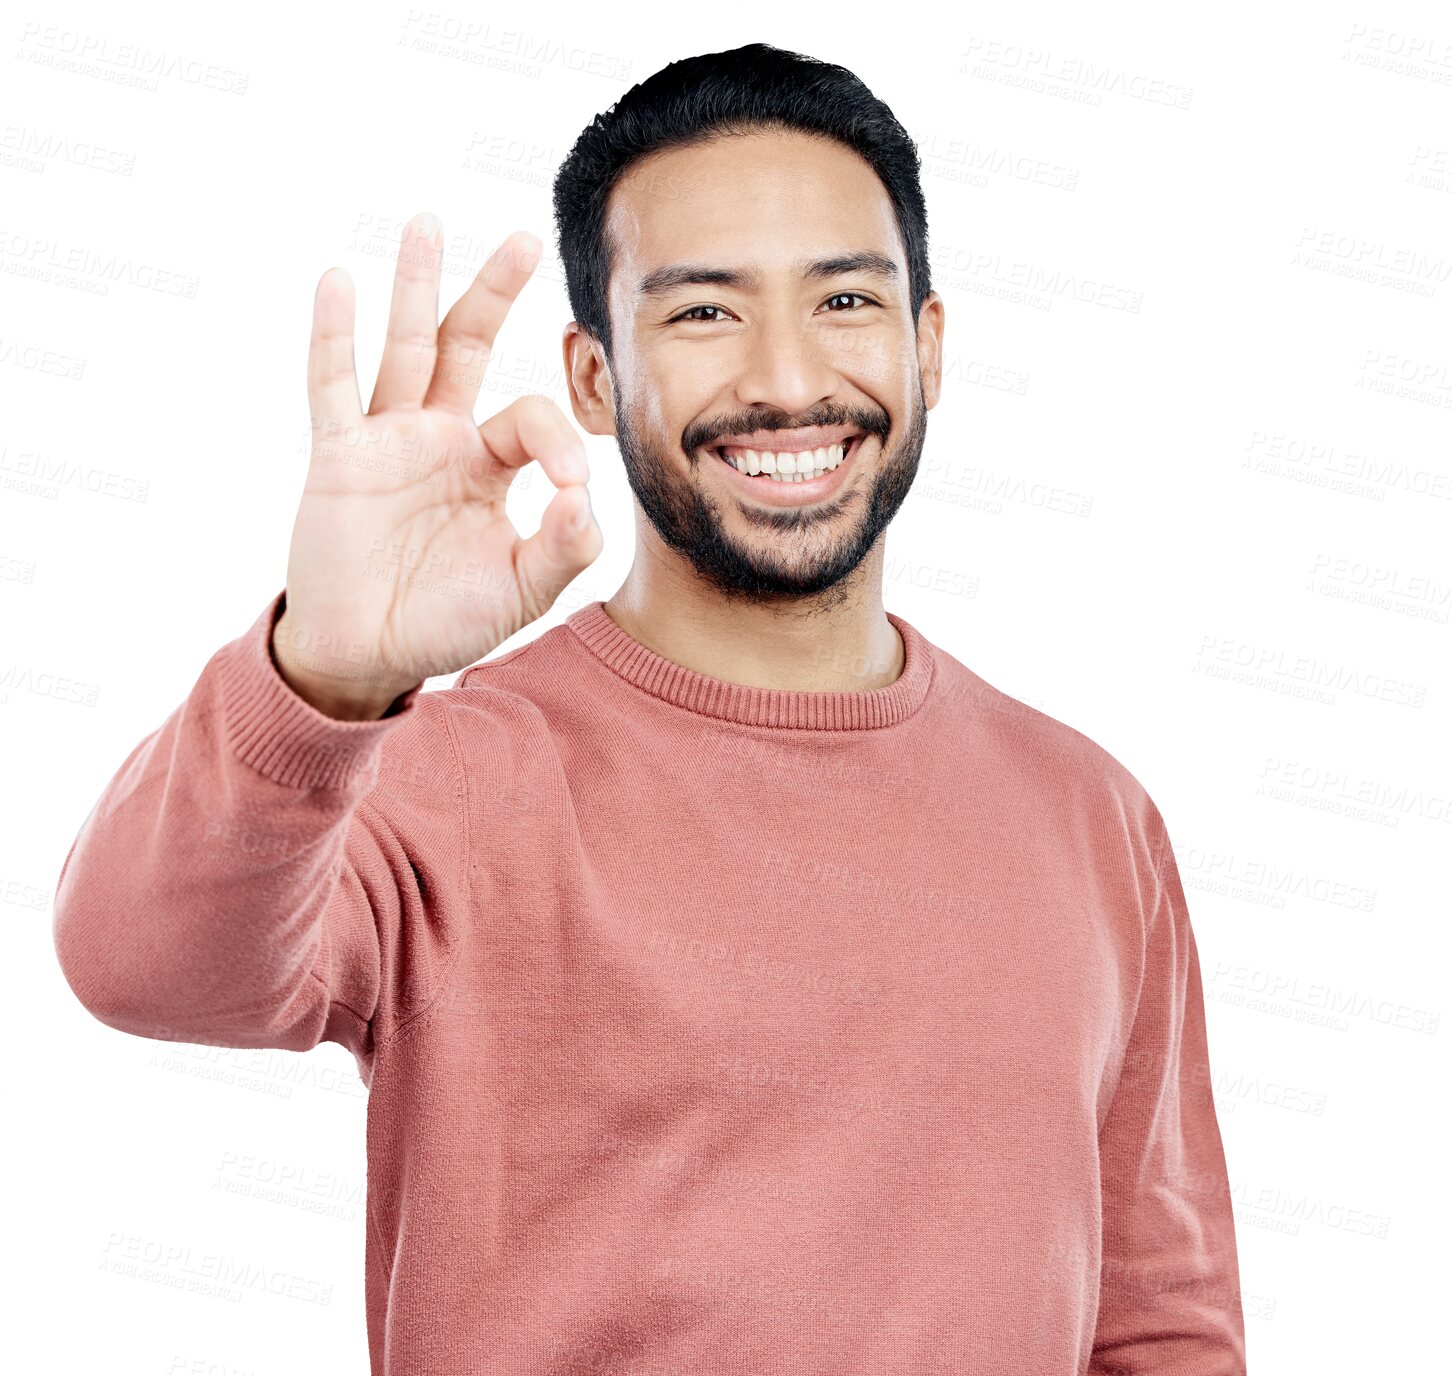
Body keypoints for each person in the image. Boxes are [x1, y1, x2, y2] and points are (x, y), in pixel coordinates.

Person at [52, 41, 1247, 1374]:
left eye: (845, 300)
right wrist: (321, 676)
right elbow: (139, 966)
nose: (790, 381)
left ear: (929, 344)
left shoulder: (1089, 815)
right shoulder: (443, 777)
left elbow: (1164, 1327)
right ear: (593, 378)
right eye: (703, 313)